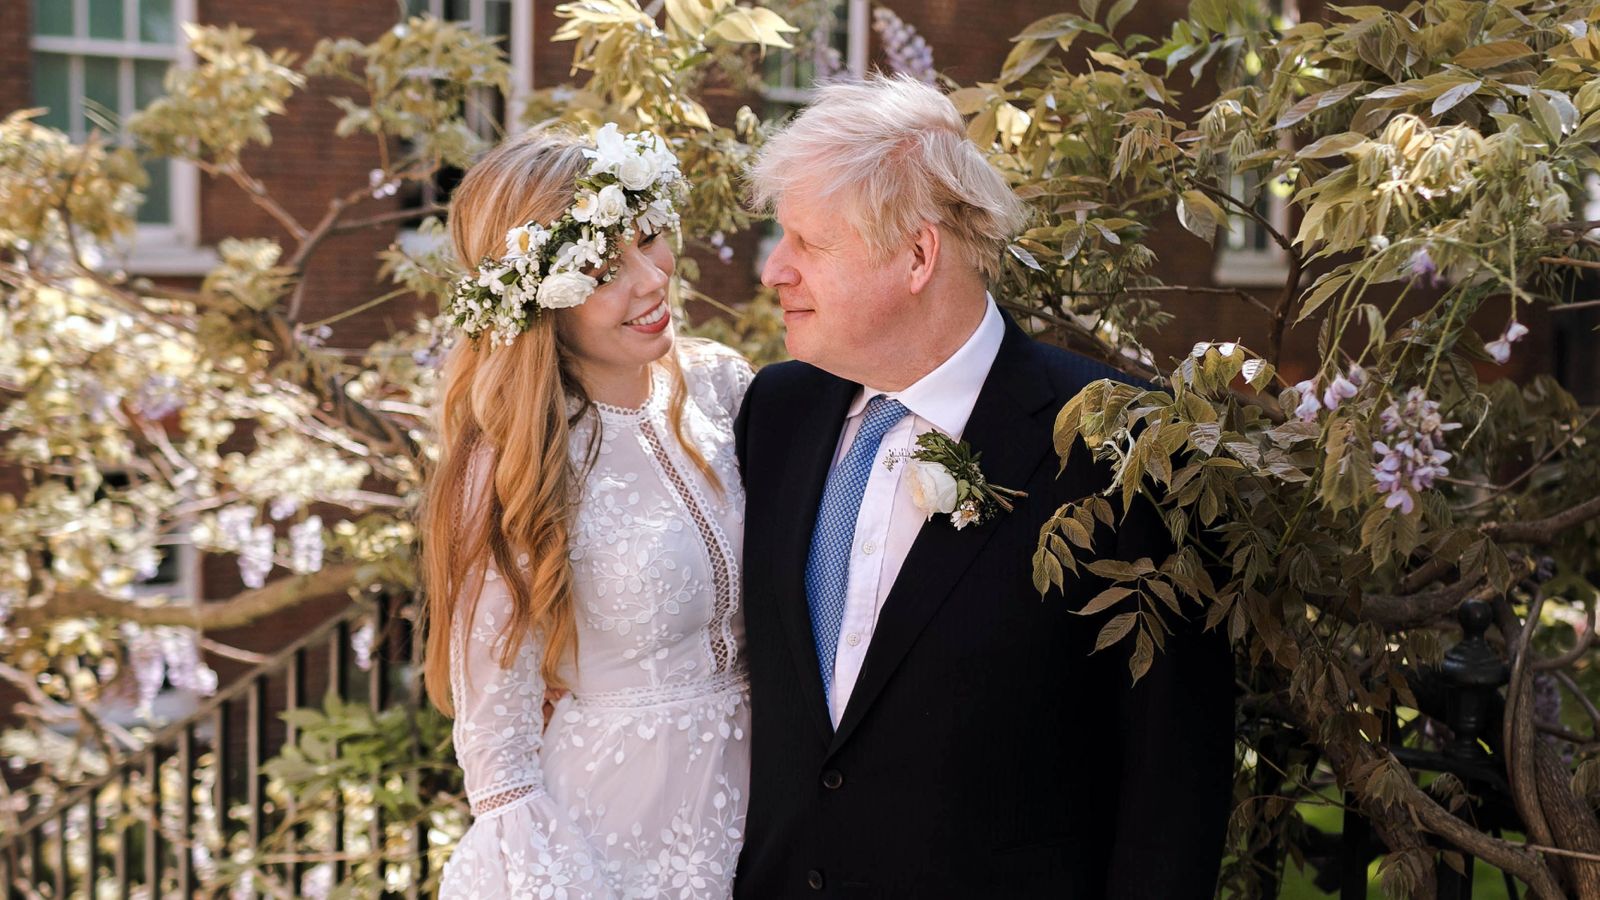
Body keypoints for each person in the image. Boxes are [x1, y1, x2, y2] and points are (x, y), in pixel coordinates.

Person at [733, 74, 1236, 898]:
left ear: (917, 255)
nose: (774, 271)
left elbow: (1171, 785)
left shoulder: (1121, 447)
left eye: (806, 243)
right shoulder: (777, 414)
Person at [420, 124, 754, 899]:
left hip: (765, 818)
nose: (650, 279)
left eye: (647, 238)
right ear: (539, 298)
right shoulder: (510, 462)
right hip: (607, 846)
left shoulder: (723, 388)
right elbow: (500, 764)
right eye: (604, 268)